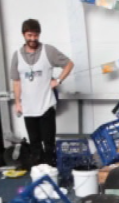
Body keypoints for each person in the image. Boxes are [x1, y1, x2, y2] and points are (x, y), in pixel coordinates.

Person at [10, 18, 74, 166]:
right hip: (28, 108)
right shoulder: (17, 56)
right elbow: (16, 82)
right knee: (34, 144)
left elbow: (69, 64)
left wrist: (58, 81)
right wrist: (18, 103)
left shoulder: (48, 51)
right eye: (29, 35)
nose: (33, 39)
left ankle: (51, 170)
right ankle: (39, 171)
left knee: (49, 143)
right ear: (23, 35)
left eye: (36, 35)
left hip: (46, 105)